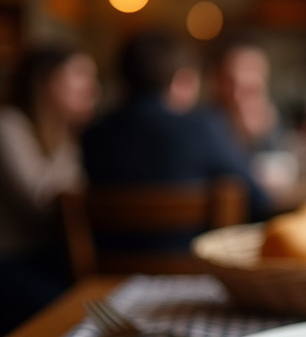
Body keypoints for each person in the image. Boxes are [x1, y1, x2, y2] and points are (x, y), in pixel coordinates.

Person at [81, 29, 272, 232]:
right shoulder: (203, 128)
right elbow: (258, 201)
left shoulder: (91, 136)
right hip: (193, 261)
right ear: (181, 80)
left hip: (109, 262)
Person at [0, 45, 99, 335]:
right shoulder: (8, 125)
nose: (92, 87)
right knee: (79, 313)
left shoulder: (64, 133)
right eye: (80, 75)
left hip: (46, 257)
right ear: (45, 81)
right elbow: (40, 199)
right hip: (10, 262)